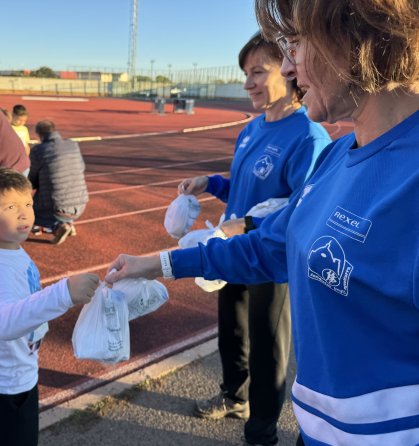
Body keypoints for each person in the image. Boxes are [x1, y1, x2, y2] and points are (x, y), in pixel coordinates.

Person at [106, 0, 419, 444]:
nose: (289, 68)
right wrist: (154, 264)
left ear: (359, 36)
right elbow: (269, 247)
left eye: (296, 44)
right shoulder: (336, 155)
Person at [178, 33, 331, 446]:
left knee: (268, 346)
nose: (248, 84)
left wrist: (246, 226)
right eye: (245, 74)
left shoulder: (308, 136)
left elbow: (303, 209)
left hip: (270, 255)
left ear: (288, 70)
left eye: (257, 72)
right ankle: (234, 396)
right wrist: (209, 183)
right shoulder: (251, 129)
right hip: (235, 250)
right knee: (231, 330)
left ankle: (261, 431)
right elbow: (247, 187)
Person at [0, 166, 99, 446]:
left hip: (14, 367)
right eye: (11, 206)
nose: (25, 213)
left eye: (28, 203)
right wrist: (63, 293)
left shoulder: (7, 246)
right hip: (6, 380)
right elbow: (3, 323)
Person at [29, 120, 88, 245]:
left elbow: (32, 180)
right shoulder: (72, 144)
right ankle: (68, 224)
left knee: (30, 210)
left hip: (57, 208)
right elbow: (82, 168)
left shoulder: (38, 150)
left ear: (39, 134)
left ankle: (58, 226)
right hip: (81, 202)